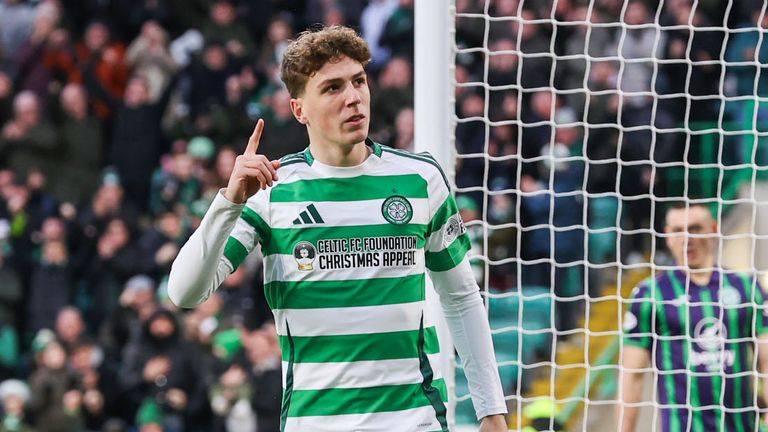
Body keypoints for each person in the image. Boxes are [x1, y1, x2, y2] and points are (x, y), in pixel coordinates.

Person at [168, 25, 507, 431]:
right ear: (299, 110)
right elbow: (184, 292)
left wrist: (491, 411)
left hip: (413, 421)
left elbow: (461, 297)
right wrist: (228, 202)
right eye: (332, 88)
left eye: (359, 82)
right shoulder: (271, 192)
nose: (353, 98)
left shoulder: (420, 179)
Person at [618, 202, 768, 432]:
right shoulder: (650, 294)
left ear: (713, 229)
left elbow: (766, 360)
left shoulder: (747, 288)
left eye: (696, 228)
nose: (687, 237)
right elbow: (632, 375)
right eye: (678, 230)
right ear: (667, 236)